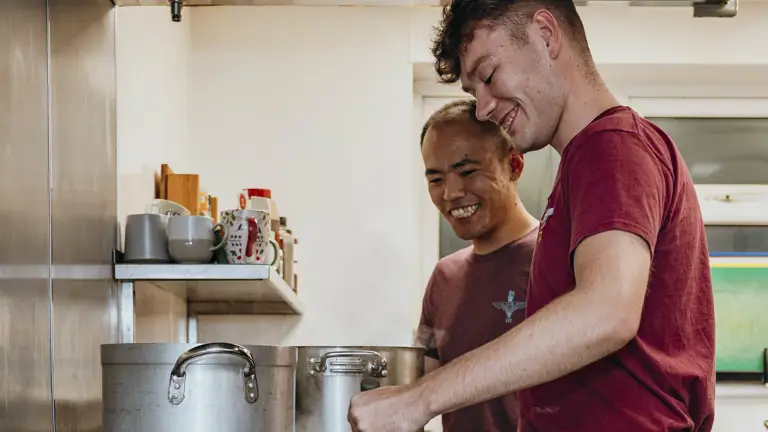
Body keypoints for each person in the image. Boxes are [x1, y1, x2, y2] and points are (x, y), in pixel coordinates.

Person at [347, 1, 715, 431]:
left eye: (488, 76)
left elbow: (607, 310)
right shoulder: (582, 165)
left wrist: (420, 400)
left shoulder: (612, 146)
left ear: (546, 34)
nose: (483, 108)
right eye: (473, 93)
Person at [415, 99, 540, 431]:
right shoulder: (444, 277)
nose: (451, 193)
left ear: (513, 165)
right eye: (436, 179)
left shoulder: (555, 257)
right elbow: (420, 377)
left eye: (467, 171)